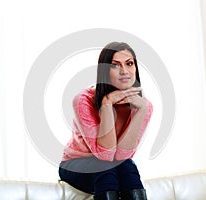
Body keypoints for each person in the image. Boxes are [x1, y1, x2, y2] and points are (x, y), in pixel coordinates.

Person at [59, 42, 153, 200]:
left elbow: (123, 155)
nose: (124, 71)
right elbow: (106, 156)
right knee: (106, 169)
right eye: (115, 65)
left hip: (111, 164)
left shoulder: (143, 106)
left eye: (129, 64)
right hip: (75, 164)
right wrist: (107, 104)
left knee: (128, 167)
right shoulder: (83, 100)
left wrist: (142, 111)